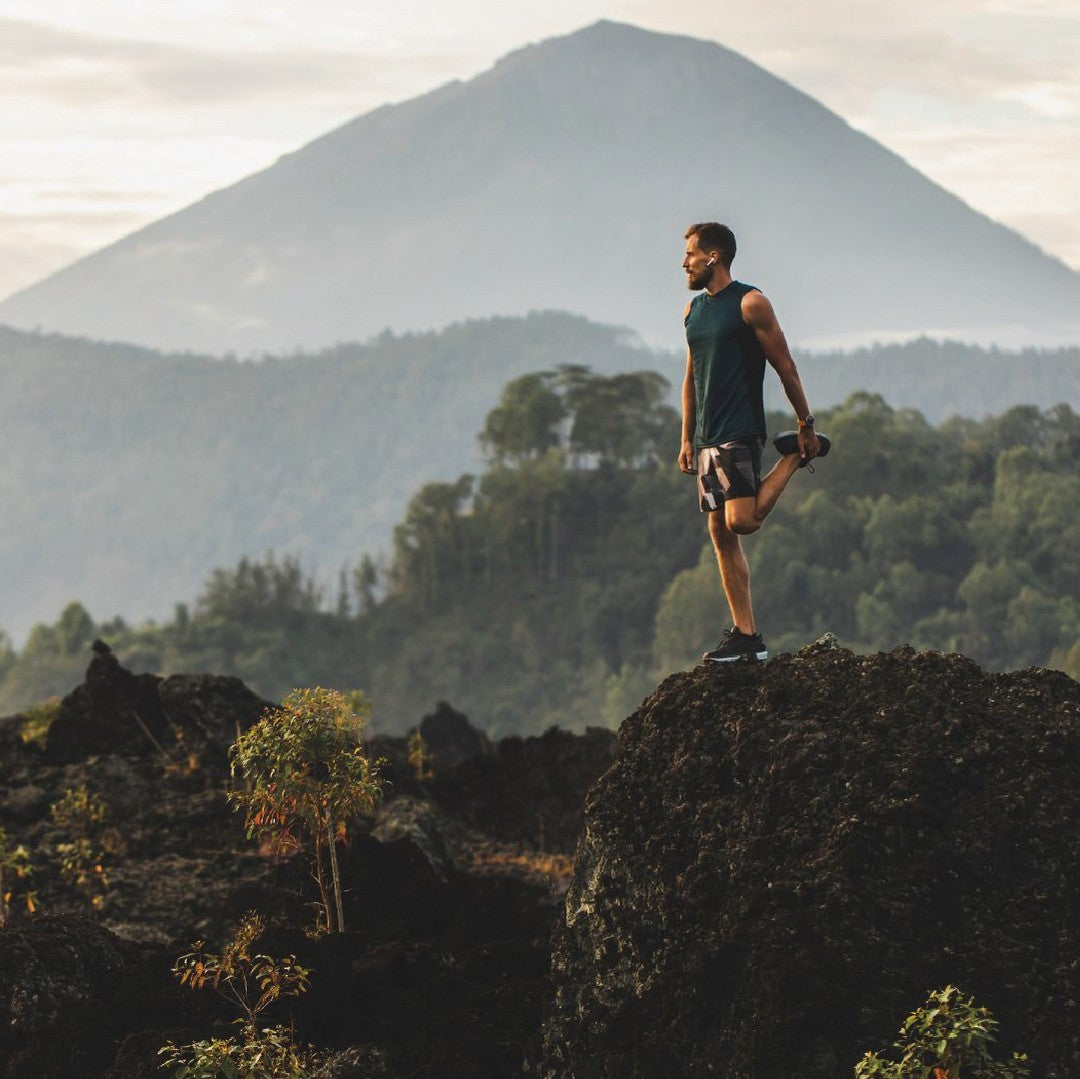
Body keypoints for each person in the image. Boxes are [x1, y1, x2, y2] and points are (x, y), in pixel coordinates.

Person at [678, 222, 830, 663]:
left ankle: (793, 458)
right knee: (719, 529)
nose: (683, 262)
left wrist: (805, 420)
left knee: (741, 522)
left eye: (690, 253)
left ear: (714, 257)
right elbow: (690, 376)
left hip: (740, 426)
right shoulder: (693, 312)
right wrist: (687, 437)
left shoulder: (751, 303)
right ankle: (746, 635)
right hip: (707, 435)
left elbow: (785, 364)